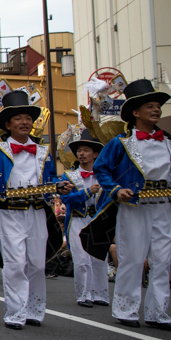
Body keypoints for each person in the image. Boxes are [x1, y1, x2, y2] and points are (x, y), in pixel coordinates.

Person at [82, 79, 171, 330]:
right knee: (132, 258)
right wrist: (115, 190)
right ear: (135, 112)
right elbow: (102, 169)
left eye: (158, 106)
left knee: (163, 260)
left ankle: (158, 312)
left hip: (164, 205)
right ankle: (126, 308)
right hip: (134, 206)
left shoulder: (169, 141)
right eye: (150, 106)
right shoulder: (121, 143)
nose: (156, 110)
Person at [0, 89, 63, 330]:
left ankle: (35, 310)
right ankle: (15, 313)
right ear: (8, 125)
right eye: (18, 119)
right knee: (15, 263)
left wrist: (59, 187)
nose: (24, 122)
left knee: (36, 263)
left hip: (37, 212)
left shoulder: (43, 151)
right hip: (9, 212)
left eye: (28, 118)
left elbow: (51, 180)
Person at [58, 129, 109, 308]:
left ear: (95, 153)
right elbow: (66, 199)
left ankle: (100, 294)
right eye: (79, 150)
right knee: (81, 258)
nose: (81, 153)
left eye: (86, 150)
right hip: (78, 219)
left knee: (99, 258)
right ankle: (84, 295)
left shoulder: (104, 176)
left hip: (97, 219)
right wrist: (87, 192)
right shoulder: (69, 175)